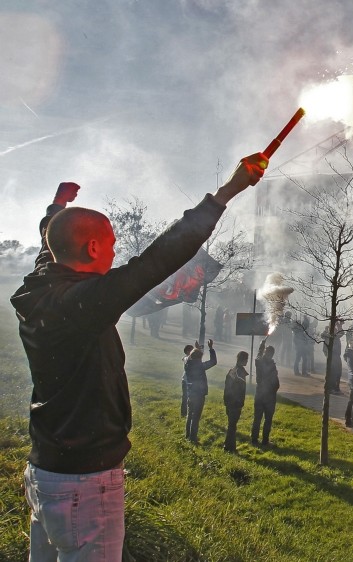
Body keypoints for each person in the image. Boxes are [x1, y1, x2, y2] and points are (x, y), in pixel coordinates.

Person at [14, 157, 265, 559]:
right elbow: (158, 260)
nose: (115, 252)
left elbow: (50, 242)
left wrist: (57, 207)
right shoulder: (84, 303)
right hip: (85, 483)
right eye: (111, 244)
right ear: (93, 246)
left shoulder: (40, 286)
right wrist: (226, 193)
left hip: (44, 471)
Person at [184, 338, 218, 443]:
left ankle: (187, 435)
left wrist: (196, 349)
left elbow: (190, 357)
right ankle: (193, 438)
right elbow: (213, 361)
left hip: (190, 392)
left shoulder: (187, 364)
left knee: (190, 414)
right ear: (199, 358)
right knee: (196, 416)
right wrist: (211, 348)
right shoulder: (200, 366)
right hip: (199, 394)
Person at [252, 340, 280, 447]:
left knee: (257, 418)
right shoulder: (271, 367)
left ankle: (254, 440)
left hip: (259, 394)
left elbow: (258, 356)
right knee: (268, 419)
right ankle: (265, 441)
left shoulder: (259, 362)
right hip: (269, 396)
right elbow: (275, 383)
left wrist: (261, 346)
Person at [223, 351, 250, 453]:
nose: (247, 361)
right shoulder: (240, 373)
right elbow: (239, 391)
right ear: (243, 360)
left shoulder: (232, 370)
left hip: (229, 401)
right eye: (246, 359)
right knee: (232, 426)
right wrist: (240, 403)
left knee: (231, 425)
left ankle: (227, 445)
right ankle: (230, 447)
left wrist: (226, 401)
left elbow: (226, 387)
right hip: (235, 403)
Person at [321, 320, 344, 395]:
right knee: (333, 373)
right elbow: (341, 333)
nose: (336, 329)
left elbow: (341, 333)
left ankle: (336, 388)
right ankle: (330, 388)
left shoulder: (331, 333)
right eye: (335, 327)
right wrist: (339, 325)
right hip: (332, 355)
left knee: (338, 372)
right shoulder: (329, 334)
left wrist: (339, 325)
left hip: (336, 355)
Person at [180, 343, 195, 417]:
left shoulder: (189, 358)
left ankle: (189, 413)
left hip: (191, 382)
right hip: (185, 381)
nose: (193, 351)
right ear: (187, 351)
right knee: (185, 397)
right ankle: (183, 413)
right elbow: (187, 358)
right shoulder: (187, 358)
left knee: (191, 398)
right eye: (191, 350)